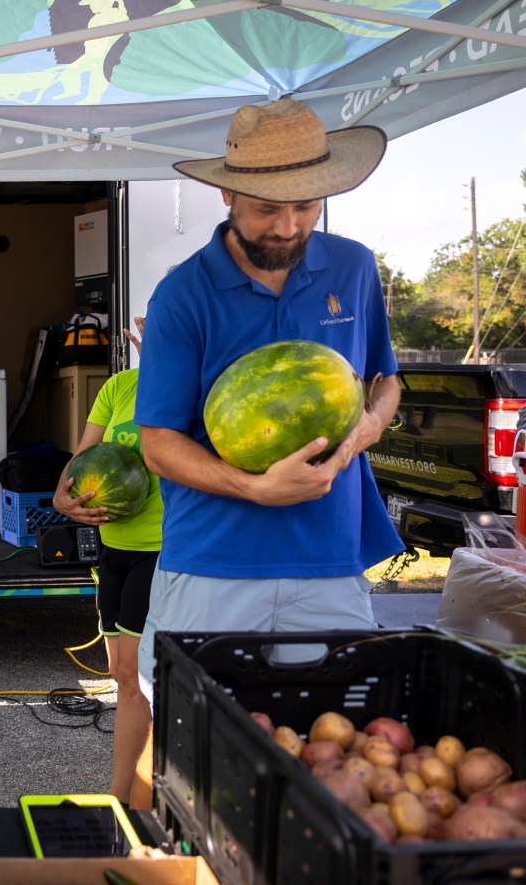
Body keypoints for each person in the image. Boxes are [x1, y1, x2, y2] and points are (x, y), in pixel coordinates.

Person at [134, 98, 405, 700]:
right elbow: (158, 444)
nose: (286, 227)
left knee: (332, 744)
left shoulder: (355, 267)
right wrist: (253, 486)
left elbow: (385, 380)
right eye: (265, 210)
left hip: (333, 558)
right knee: (196, 750)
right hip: (213, 563)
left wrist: (369, 427)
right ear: (227, 197)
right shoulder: (182, 294)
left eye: (305, 207)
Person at [52, 316, 160, 809]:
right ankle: (129, 792)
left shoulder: (194, 391)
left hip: (160, 549)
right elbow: (83, 456)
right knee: (120, 675)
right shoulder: (120, 386)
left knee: (140, 676)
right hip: (112, 548)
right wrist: (62, 496)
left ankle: (131, 798)